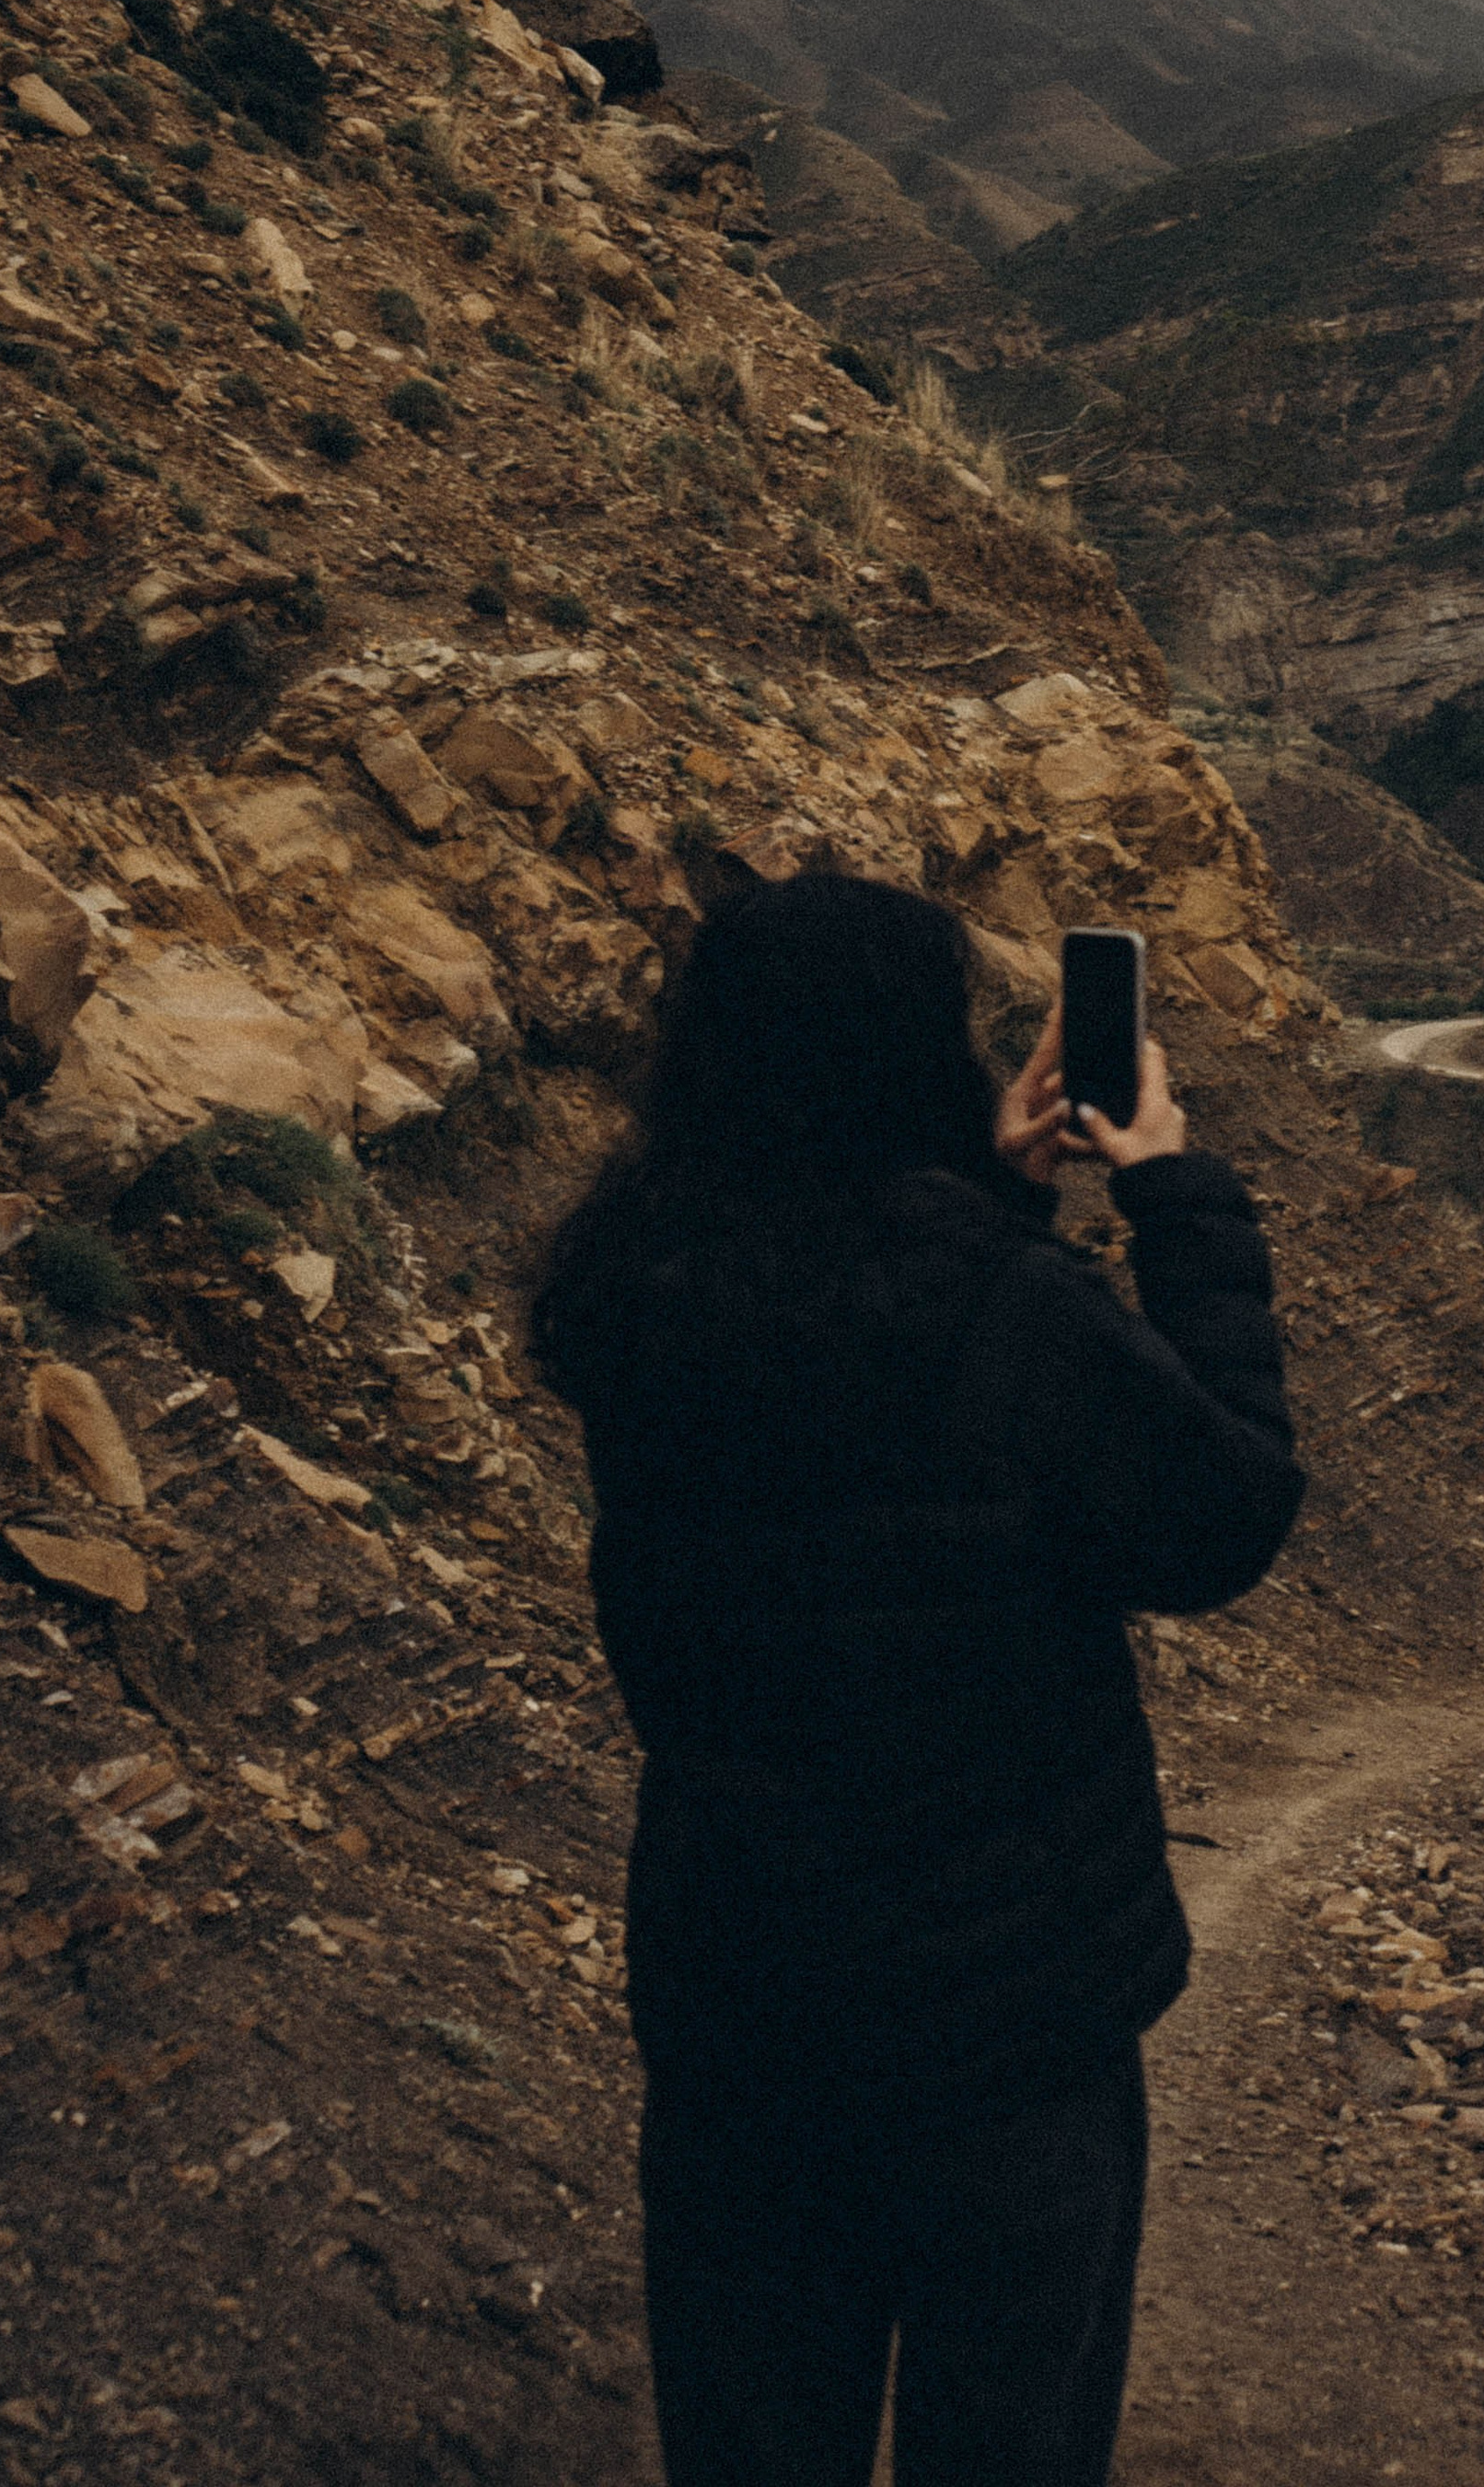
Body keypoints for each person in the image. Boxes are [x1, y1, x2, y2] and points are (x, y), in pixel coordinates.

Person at [531, 868, 1304, 2487]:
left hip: (745, 2009)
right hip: (1010, 2031)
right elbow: (1219, 1514)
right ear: (916, 1057)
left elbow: (834, 1403)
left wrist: (992, 1200)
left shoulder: (632, 1301)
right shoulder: (1001, 1310)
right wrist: (1172, 1198)